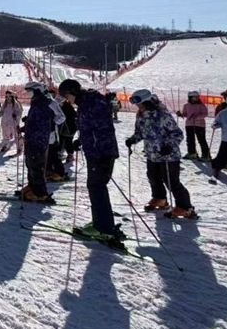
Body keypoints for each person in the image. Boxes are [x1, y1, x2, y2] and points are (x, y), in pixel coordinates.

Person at [58, 79, 122, 241]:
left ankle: (104, 228)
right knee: (96, 186)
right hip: (98, 151)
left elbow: (100, 130)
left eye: (67, 96)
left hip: (100, 153)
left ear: (72, 92)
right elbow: (91, 128)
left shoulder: (90, 104)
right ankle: (100, 223)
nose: (67, 100)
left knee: (96, 186)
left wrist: (97, 152)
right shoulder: (88, 102)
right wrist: (81, 140)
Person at [125, 89, 196, 218]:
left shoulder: (162, 115)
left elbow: (177, 134)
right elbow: (140, 133)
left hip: (168, 155)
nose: (138, 106)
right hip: (152, 154)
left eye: (139, 104)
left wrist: (168, 146)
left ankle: (185, 207)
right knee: (153, 177)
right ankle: (160, 198)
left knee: (171, 182)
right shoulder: (141, 115)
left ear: (147, 102)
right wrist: (132, 140)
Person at [21, 82, 56, 203]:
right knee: (30, 163)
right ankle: (33, 187)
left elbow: (41, 124)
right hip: (32, 138)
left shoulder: (42, 103)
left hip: (38, 140)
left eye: (30, 91)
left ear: (37, 91)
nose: (29, 93)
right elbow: (35, 121)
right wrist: (27, 123)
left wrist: (29, 126)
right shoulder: (37, 102)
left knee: (36, 165)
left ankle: (41, 193)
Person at [177, 91, 210, 160]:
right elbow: (185, 114)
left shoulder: (201, 105)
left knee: (201, 140)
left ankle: (206, 155)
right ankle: (192, 153)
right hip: (189, 124)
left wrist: (197, 117)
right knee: (190, 139)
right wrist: (181, 114)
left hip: (199, 125)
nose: (196, 99)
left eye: (197, 97)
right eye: (194, 97)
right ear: (190, 98)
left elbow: (205, 113)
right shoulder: (186, 105)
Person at [0, 90, 23, 155]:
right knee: (5, 135)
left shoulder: (16, 104)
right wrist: (0, 113)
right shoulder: (5, 104)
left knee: (16, 136)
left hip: (13, 123)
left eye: (9, 96)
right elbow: (2, 111)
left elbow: (19, 112)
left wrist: (16, 116)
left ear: (12, 97)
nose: (8, 98)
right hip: (5, 122)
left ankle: (19, 148)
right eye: (7, 96)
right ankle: (5, 145)